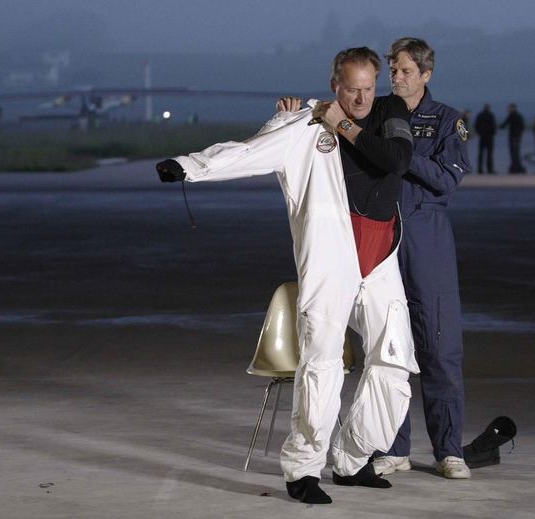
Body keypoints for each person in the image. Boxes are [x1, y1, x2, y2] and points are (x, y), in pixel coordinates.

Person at [156, 47, 419, 505]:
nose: (360, 97)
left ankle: (353, 458)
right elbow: (249, 153)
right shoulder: (305, 128)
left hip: (379, 264)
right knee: (321, 365)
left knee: (394, 361)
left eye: (368, 88)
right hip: (330, 264)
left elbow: (395, 161)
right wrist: (189, 167)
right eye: (351, 88)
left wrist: (344, 121)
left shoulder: (379, 121)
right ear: (334, 84)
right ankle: (302, 470)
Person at [371, 37, 472, 479]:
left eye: (405, 71)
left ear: (425, 75)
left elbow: (448, 181)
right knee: (387, 345)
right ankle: (392, 449)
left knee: (438, 344)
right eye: (392, 70)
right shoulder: (375, 113)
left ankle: (449, 450)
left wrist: (403, 154)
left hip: (427, 237)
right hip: (380, 237)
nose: (396, 77)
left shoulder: (448, 120)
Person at [500, 103, 526, 173]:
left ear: (513, 108)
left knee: (514, 153)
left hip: (513, 137)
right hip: (517, 137)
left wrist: (496, 126)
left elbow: (504, 125)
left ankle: (515, 168)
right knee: (516, 152)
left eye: (509, 108)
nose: (507, 110)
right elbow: (522, 126)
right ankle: (517, 168)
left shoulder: (512, 116)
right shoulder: (518, 116)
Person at [474, 103, 497, 174]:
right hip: (489, 137)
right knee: (489, 154)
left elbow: (476, 125)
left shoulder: (480, 115)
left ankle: (480, 169)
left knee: (481, 154)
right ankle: (489, 169)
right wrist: (493, 133)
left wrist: (479, 133)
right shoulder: (491, 115)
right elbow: (494, 126)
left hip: (482, 136)